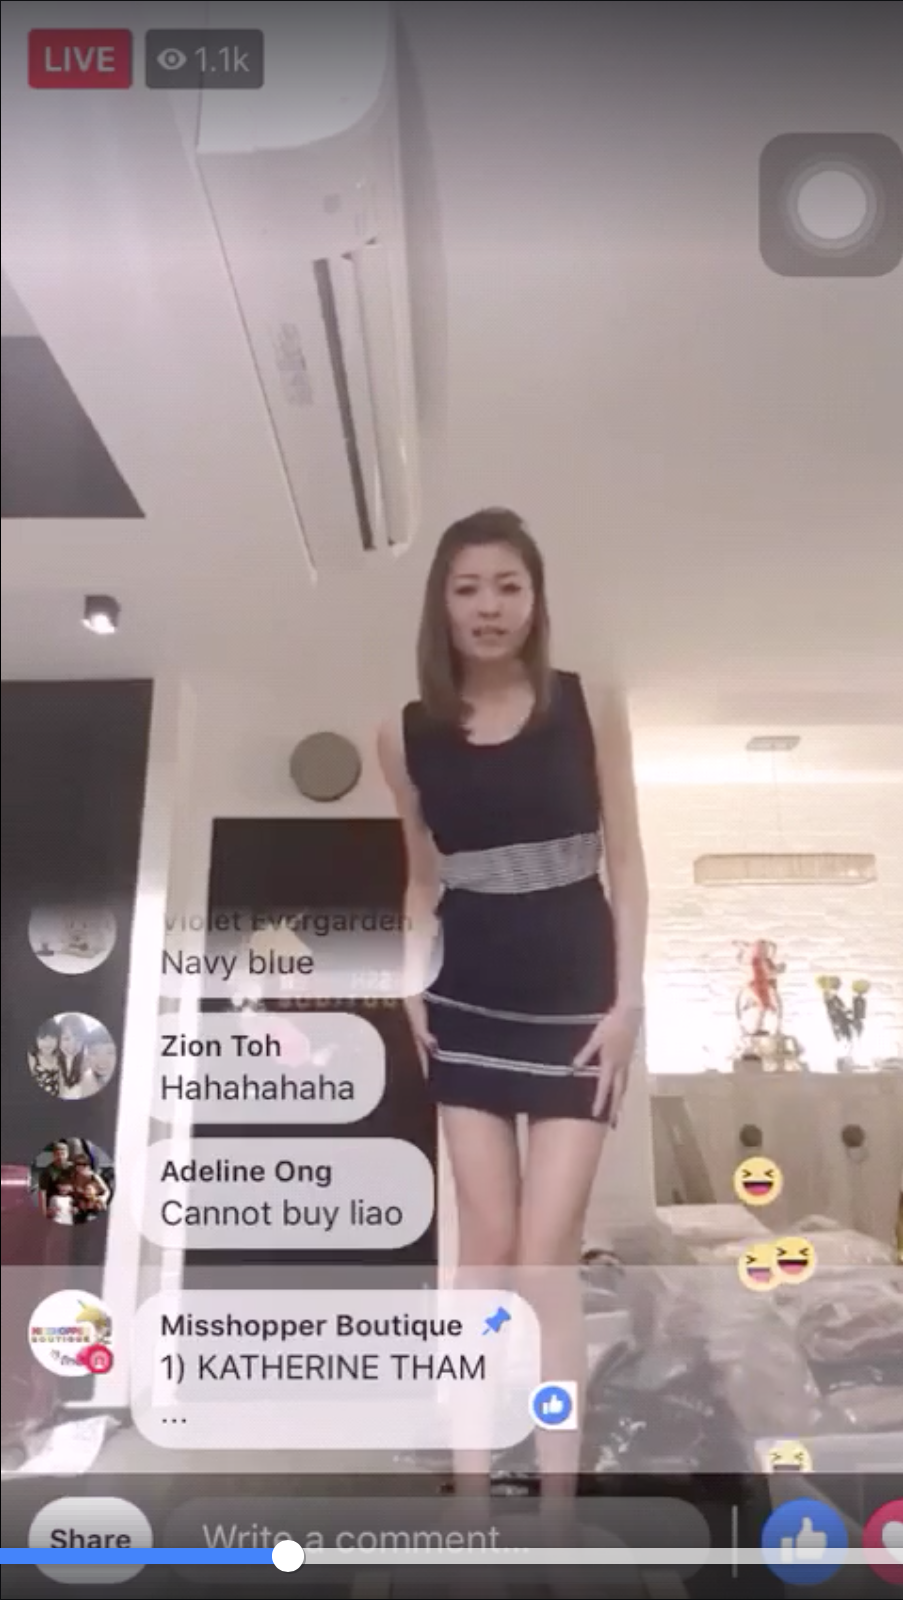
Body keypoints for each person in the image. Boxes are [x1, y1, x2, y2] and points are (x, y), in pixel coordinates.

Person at [377, 508, 648, 1512]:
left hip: (578, 1001)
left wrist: (628, 1001)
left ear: (535, 598)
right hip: (465, 997)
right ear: (441, 604)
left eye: (508, 585)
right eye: (467, 588)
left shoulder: (587, 704)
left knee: (544, 1258)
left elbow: (628, 861)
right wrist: (409, 982)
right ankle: (473, 1485)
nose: (488, 606)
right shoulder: (403, 735)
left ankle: (559, 1501)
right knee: (483, 1252)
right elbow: (421, 880)